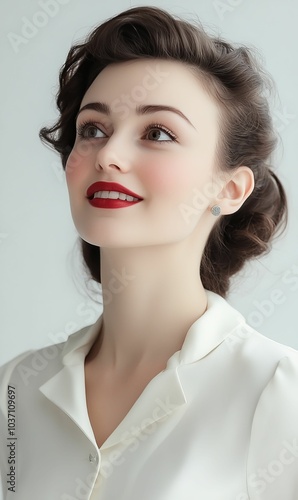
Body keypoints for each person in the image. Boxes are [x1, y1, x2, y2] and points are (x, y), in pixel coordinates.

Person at [1, 5, 297, 499]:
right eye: (92, 129)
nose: (109, 154)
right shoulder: (14, 390)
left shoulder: (279, 395)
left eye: (158, 133)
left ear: (230, 188)